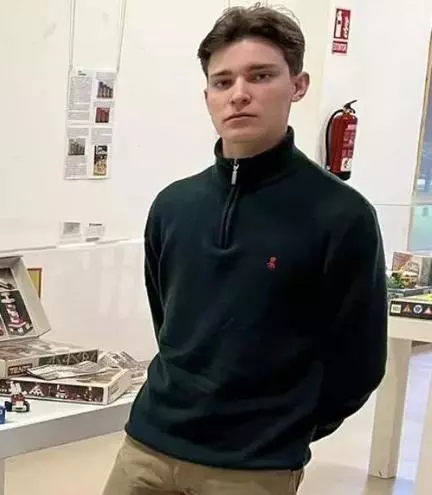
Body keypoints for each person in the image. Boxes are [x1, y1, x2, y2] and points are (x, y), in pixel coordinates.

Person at [103, 5, 387, 495]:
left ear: (298, 85)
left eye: (260, 76)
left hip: (253, 466)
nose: (239, 94)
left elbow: (359, 362)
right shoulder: (174, 206)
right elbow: (170, 323)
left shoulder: (341, 215)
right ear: (207, 96)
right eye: (223, 81)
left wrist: (286, 428)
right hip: (147, 448)